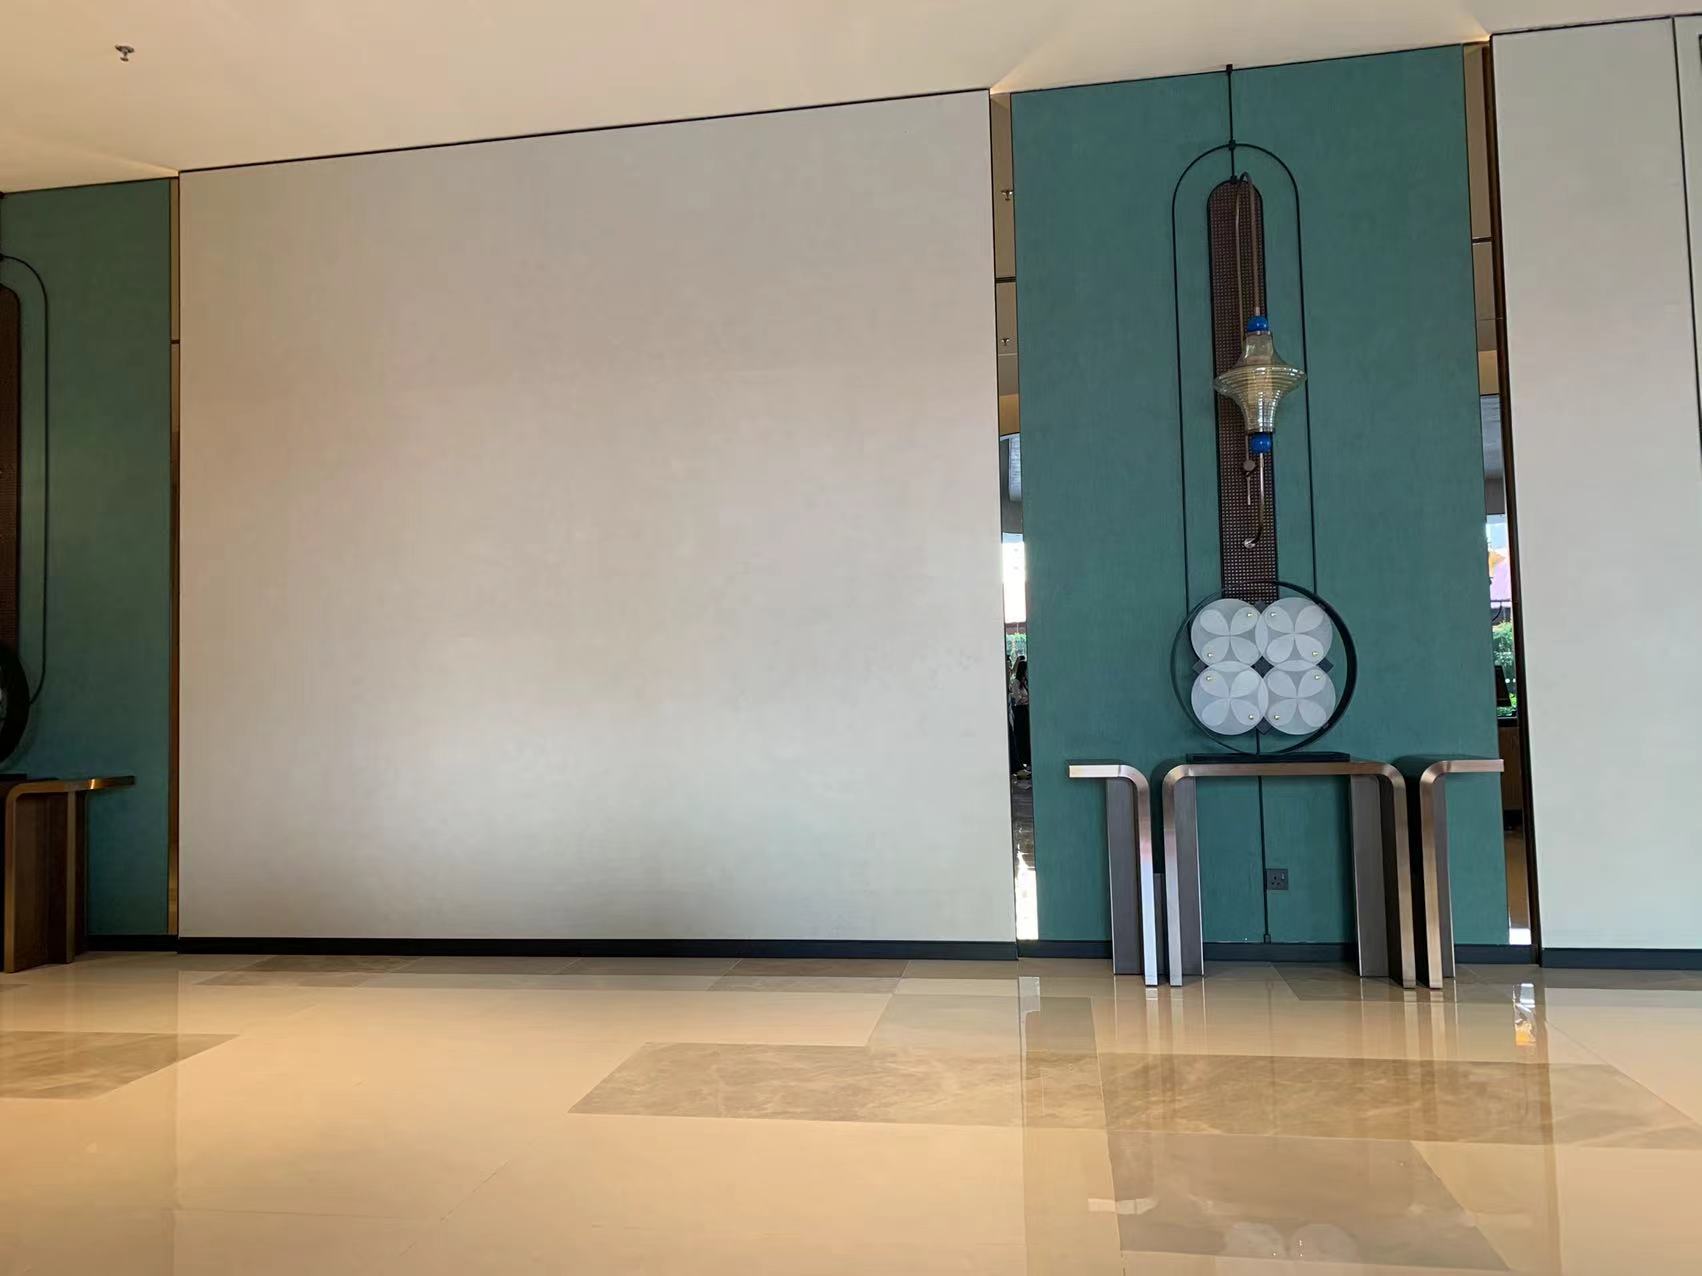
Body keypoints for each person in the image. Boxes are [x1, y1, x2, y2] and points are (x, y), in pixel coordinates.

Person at [1008, 657, 1031, 776]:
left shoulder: (1026, 682)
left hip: (1026, 711)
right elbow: (1018, 700)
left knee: (1027, 736)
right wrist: (1029, 699)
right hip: (1020, 712)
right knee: (1021, 736)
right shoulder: (1016, 683)